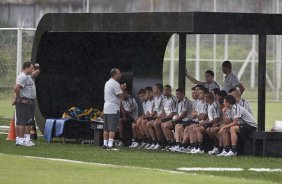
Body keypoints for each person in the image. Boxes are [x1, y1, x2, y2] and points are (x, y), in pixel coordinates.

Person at [12, 61, 36, 146]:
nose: (32, 70)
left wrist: (17, 99)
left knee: (20, 122)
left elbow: (18, 87)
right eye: (31, 68)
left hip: (24, 101)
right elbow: (16, 87)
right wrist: (19, 99)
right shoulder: (24, 77)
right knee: (26, 122)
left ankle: (19, 140)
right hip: (26, 101)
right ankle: (25, 140)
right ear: (26, 68)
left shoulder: (23, 76)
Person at [162, 88, 193, 152]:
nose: (176, 96)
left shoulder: (186, 101)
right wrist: (172, 119)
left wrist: (173, 121)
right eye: (176, 94)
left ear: (182, 94)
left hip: (187, 121)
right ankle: (172, 144)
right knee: (163, 125)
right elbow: (176, 113)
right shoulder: (178, 102)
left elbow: (183, 115)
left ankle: (183, 145)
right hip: (180, 120)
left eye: (178, 94)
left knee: (175, 126)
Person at [103, 68, 126, 150]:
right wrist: (122, 88)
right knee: (112, 127)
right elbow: (122, 96)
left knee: (106, 127)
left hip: (106, 107)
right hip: (113, 108)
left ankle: (105, 144)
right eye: (119, 73)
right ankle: (110, 145)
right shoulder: (115, 83)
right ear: (115, 74)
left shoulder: (107, 82)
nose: (120, 75)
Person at [145, 83, 165, 149]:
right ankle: (154, 142)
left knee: (156, 123)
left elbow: (165, 111)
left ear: (159, 90)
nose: (153, 90)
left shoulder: (163, 98)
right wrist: (153, 117)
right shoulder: (156, 98)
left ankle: (161, 143)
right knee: (148, 124)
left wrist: (157, 117)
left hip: (165, 117)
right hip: (159, 116)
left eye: (154, 88)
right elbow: (156, 110)